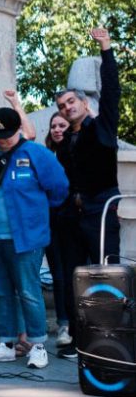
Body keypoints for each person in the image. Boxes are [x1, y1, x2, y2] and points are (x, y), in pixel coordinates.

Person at [0, 108, 69, 369]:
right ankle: (5, 343)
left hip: (26, 237)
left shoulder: (36, 153)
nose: (1, 139)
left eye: (5, 134)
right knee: (0, 291)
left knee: (28, 291)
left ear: (18, 130)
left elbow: (59, 188)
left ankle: (38, 344)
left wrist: (35, 214)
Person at [53, 27, 121, 358]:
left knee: (106, 271)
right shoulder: (64, 143)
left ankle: (111, 338)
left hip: (102, 210)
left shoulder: (103, 128)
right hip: (73, 216)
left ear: (83, 103)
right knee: (73, 276)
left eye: (70, 102)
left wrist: (105, 47)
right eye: (62, 106)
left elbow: (112, 90)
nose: (66, 108)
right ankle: (80, 339)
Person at [45, 112, 72, 347]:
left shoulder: (76, 152)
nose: (57, 129)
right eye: (53, 126)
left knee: (71, 273)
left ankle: (72, 323)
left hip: (73, 222)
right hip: (51, 222)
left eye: (62, 125)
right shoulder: (47, 155)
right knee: (58, 274)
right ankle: (63, 323)